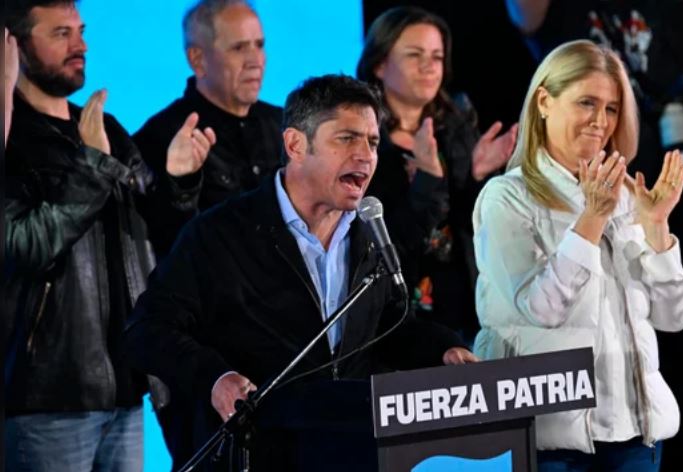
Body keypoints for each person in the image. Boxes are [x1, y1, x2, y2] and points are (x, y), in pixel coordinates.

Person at [123, 74, 477, 470]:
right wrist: (216, 379)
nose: (365, 155)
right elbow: (147, 329)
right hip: (261, 453)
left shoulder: (369, 235)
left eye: (373, 142)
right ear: (295, 145)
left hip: (351, 449)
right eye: (347, 138)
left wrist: (443, 349)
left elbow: (388, 327)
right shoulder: (222, 233)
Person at [3, 1, 214, 471]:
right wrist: (93, 168)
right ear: (14, 45)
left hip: (125, 386)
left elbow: (157, 233)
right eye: (60, 33)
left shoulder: (107, 129)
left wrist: (180, 182)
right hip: (48, 396)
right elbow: (27, 247)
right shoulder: (12, 138)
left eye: (80, 31)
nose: (80, 45)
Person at [472, 40, 683, 471]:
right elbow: (541, 308)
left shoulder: (628, 196)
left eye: (611, 108)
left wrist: (657, 228)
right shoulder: (506, 198)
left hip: (636, 440)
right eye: (587, 103)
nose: (601, 121)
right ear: (544, 101)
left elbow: (674, 316)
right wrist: (591, 219)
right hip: (550, 443)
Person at [356, 6, 517, 342]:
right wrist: (427, 179)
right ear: (380, 64)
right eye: (415, 55)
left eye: (437, 56)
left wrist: (479, 178)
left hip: (466, 306)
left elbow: (475, 227)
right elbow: (380, 243)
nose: (429, 66)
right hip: (400, 317)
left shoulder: (456, 125)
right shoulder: (362, 141)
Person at [134, 0, 282, 259]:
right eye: (238, 48)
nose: (255, 61)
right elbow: (164, 247)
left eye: (259, 45)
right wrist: (183, 183)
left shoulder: (285, 124)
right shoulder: (160, 137)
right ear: (198, 59)